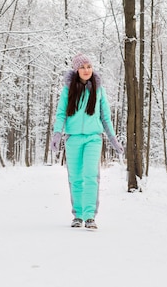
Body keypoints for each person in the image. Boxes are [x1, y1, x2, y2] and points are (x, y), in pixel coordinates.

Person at [51, 53, 123, 230]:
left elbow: (105, 116)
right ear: (76, 70)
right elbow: (61, 114)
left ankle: (90, 216)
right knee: (75, 178)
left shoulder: (99, 90)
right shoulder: (68, 90)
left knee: (91, 176)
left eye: (89, 66)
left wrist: (113, 139)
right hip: (73, 138)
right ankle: (78, 215)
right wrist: (57, 134)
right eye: (82, 67)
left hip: (93, 138)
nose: (86, 70)